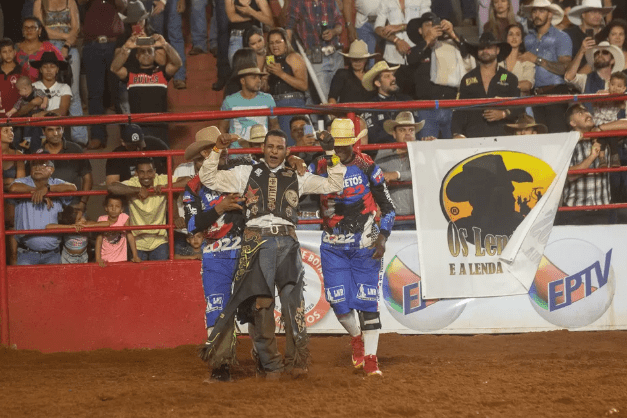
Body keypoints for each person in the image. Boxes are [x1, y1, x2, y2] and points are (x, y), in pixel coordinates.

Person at [198, 129, 346, 377]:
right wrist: (216, 150)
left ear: (286, 151)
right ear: (263, 149)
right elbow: (208, 178)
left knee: (292, 304)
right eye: (271, 147)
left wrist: (330, 152)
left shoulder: (297, 175)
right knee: (261, 306)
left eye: (279, 147)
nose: (274, 151)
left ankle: (295, 361)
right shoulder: (246, 172)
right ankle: (271, 363)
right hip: (257, 239)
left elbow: (335, 183)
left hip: (287, 240)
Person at [310, 118, 395, 376]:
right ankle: (356, 337)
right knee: (338, 303)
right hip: (333, 246)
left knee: (368, 303)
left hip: (365, 244)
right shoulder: (319, 165)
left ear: (354, 144)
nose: (341, 150)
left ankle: (371, 360)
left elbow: (389, 208)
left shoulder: (367, 166)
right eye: (337, 145)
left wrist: (382, 237)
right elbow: (300, 182)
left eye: (346, 145)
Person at [182, 126, 248, 381]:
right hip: (215, 255)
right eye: (203, 156)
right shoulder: (193, 188)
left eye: (216, 151)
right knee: (217, 307)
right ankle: (221, 365)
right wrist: (220, 207)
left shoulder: (240, 175)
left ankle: (263, 358)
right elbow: (192, 225)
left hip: (245, 251)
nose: (211, 157)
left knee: (254, 306)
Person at [406, 12, 474, 139]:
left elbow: (468, 54)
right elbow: (411, 59)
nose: (433, 28)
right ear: (420, 30)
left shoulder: (449, 47)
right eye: (428, 25)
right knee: (427, 149)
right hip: (426, 109)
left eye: (435, 24)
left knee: (452, 149)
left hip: (450, 105)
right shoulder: (416, 49)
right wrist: (427, 40)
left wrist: (452, 33)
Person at [107, 157, 190, 260]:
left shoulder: (161, 180)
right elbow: (111, 187)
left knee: (160, 274)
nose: (146, 176)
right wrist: (137, 190)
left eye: (149, 171)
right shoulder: (133, 183)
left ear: (154, 172)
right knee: (139, 275)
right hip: (137, 242)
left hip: (159, 241)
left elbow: (189, 180)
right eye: (142, 172)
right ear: (136, 173)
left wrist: (166, 187)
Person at [110, 32, 182, 144]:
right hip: (138, 127)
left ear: (154, 55)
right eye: (142, 52)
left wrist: (164, 44)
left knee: (161, 159)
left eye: (149, 51)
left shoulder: (162, 73)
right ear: (137, 56)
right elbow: (114, 68)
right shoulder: (130, 73)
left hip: (160, 126)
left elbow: (177, 63)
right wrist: (126, 48)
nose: (146, 54)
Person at [8, 151, 77, 265]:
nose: (38, 168)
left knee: (54, 283)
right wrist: (38, 192)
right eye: (35, 164)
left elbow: (73, 188)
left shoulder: (56, 183)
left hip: (53, 254)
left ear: (52, 170)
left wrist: (48, 189)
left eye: (43, 164)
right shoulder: (23, 182)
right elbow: (13, 188)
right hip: (26, 254)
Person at [33, 0, 87, 140]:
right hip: (47, 48)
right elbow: (40, 30)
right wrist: (66, 36)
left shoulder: (70, 2)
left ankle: (79, 138)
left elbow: (76, 28)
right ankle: (42, 137)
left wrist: (67, 44)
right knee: (45, 92)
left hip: (68, 48)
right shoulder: (40, 2)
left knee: (73, 93)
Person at [452, 32, 521, 139]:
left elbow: (520, 107)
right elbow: (459, 110)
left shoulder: (509, 78)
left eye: (489, 47)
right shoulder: (467, 79)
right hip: (473, 135)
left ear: (497, 50)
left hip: (502, 135)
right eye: (481, 48)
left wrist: (503, 114)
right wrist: (457, 133)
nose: (485, 51)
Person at [554, 103, 613, 225]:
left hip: (602, 207)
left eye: (586, 111)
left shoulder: (604, 136)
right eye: (580, 113)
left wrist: (601, 128)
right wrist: (592, 157)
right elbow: (569, 176)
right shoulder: (567, 143)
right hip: (575, 210)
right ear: (572, 123)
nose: (587, 114)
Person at [81, 0, 128, 150]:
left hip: (114, 44)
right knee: (95, 93)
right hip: (92, 44)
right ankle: (97, 136)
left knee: (120, 92)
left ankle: (127, 135)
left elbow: (123, 5)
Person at [520, 0, 573, 133]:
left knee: (557, 135)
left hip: (556, 93)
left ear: (550, 14)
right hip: (533, 95)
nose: (537, 14)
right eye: (534, 11)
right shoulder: (527, 39)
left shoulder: (562, 37)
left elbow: (565, 69)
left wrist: (536, 59)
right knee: (540, 139)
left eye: (541, 11)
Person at [376, 112, 433, 230]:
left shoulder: (422, 152)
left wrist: (397, 175)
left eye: (411, 130)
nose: (408, 133)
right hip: (393, 220)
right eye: (402, 130)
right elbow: (373, 179)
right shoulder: (383, 155)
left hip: (420, 220)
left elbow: (425, 173)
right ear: (394, 134)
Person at [285, 0, 345, 101]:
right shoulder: (298, 2)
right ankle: (329, 116)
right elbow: (289, 27)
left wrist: (333, 32)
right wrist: (288, 53)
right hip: (316, 56)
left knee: (341, 96)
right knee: (324, 98)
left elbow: (340, 23)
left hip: (336, 54)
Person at [37, 121, 92, 217]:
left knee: (76, 231)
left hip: (73, 206)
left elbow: (87, 178)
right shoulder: (37, 153)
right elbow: (29, 180)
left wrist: (83, 203)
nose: (56, 133)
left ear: (63, 129)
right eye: (51, 130)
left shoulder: (76, 149)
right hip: (46, 206)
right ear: (43, 132)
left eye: (58, 129)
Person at [217, 64, 279, 147]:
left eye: (259, 78)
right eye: (254, 77)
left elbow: (275, 125)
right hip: (237, 153)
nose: (258, 81)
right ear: (242, 81)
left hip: (261, 151)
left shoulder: (268, 99)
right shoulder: (230, 101)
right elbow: (222, 128)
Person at [266, 28, 308, 146]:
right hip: (274, 105)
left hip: (293, 103)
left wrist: (281, 74)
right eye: (271, 43)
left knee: (301, 142)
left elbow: (304, 85)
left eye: (278, 42)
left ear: (286, 42)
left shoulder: (294, 57)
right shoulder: (269, 61)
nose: (275, 46)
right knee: (281, 144)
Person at [361, 61, 420, 144]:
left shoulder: (406, 100)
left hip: (409, 148)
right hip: (384, 152)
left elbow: (416, 131)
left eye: (392, 75)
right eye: (387, 76)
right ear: (378, 83)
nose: (393, 78)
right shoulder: (371, 106)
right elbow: (374, 136)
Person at [373, 0, 431, 66]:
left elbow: (427, 24)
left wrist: (401, 26)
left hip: (417, 53)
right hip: (393, 56)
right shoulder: (386, 1)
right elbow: (378, 28)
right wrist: (396, 40)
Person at [95, 194, 141, 267]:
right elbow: (99, 239)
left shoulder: (124, 218)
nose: (114, 209)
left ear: (122, 209)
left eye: (117, 206)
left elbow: (130, 236)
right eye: (111, 206)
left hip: (121, 259)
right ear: (106, 208)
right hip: (105, 259)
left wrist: (135, 256)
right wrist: (98, 258)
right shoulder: (102, 219)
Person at [15, 17, 65, 82]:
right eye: (26, 28)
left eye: (33, 27)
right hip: (18, 86)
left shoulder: (48, 47)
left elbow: (63, 65)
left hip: (43, 86)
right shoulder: (15, 48)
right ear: (22, 31)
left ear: (39, 30)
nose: (29, 30)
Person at [566, 0, 615, 66]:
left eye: (600, 13)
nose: (597, 16)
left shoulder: (606, 36)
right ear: (583, 14)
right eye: (593, 12)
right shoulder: (568, 35)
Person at [225, 0, 273, 66]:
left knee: (268, 67)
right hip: (238, 37)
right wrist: (256, 15)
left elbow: (269, 21)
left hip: (256, 38)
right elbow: (232, 18)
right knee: (237, 71)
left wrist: (251, 11)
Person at [328, 40, 376, 105]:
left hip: (368, 113)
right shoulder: (342, 74)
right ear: (350, 59)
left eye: (360, 59)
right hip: (347, 114)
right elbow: (332, 97)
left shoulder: (372, 77)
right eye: (354, 59)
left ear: (366, 59)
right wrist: (335, 113)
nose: (357, 62)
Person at [501, 23, 535, 95]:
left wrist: (504, 86)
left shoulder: (526, 61)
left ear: (521, 40)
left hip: (521, 103)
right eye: (511, 34)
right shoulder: (499, 61)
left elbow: (527, 85)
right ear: (506, 38)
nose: (514, 37)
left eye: (517, 34)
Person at [0, 38, 23, 116]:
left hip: (16, 116)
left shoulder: (21, 71)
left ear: (14, 52)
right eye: (4, 52)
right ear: (0, 54)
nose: (8, 54)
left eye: (10, 51)